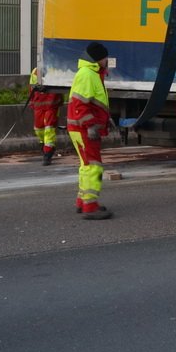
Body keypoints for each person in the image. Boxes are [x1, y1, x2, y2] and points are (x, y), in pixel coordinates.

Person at [67, 42, 113, 220]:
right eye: (105, 57)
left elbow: (93, 102)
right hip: (84, 128)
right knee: (93, 166)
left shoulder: (91, 73)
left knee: (86, 165)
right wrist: (91, 126)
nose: (106, 60)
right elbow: (81, 105)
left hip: (82, 127)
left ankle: (83, 201)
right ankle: (90, 206)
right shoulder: (88, 74)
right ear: (98, 58)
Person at [29, 67, 63, 166]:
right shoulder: (36, 71)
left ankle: (48, 152)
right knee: (38, 129)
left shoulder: (56, 69)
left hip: (52, 105)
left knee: (49, 128)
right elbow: (31, 87)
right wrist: (32, 102)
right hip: (39, 105)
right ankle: (44, 144)